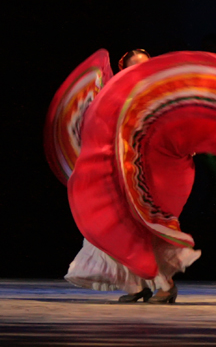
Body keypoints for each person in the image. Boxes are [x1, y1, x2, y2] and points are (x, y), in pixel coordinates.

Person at [66, 48, 200, 304]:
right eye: (134, 67)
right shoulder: (113, 96)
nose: (141, 71)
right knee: (115, 226)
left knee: (146, 227)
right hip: (119, 172)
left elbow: (179, 124)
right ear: (123, 70)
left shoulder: (160, 95)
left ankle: (165, 286)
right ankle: (135, 286)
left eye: (146, 65)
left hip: (146, 174)